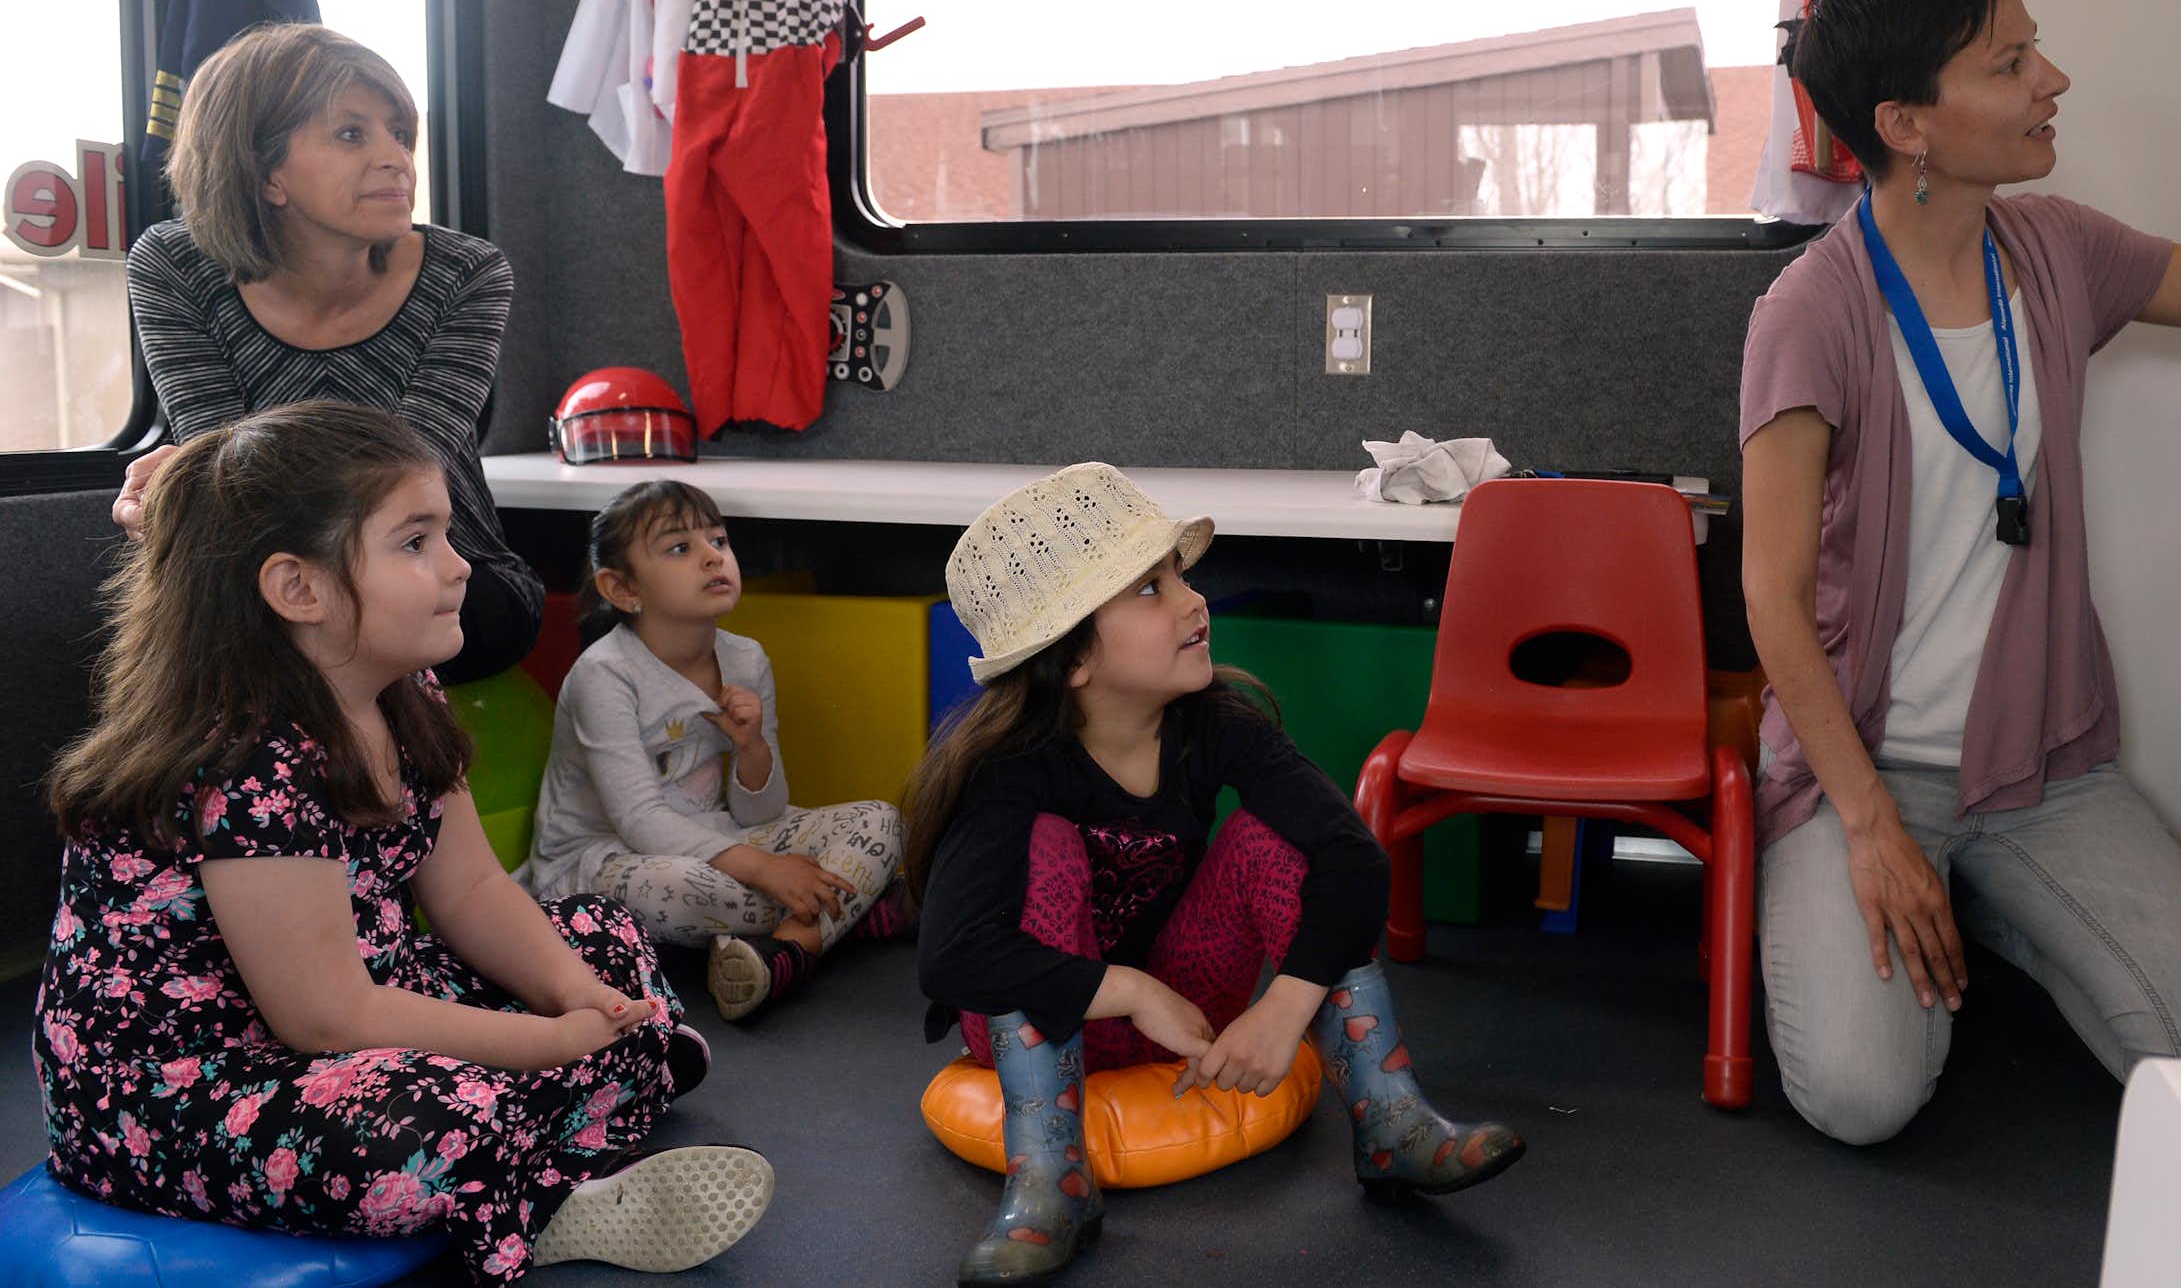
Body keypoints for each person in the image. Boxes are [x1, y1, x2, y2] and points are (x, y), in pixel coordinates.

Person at [1738, 0, 2181, 1144]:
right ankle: (1906, 890)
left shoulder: (2054, 249)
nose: (2050, 78)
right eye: (2009, 63)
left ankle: (2002, 900)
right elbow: (1773, 598)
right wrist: (1866, 824)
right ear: (1907, 123)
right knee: (1861, 1095)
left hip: (2042, 767)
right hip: (1866, 766)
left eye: (2033, 46)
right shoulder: (1808, 312)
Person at [38, 401, 769, 1281]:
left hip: (355, 996)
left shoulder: (406, 691)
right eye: (415, 543)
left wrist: (584, 1000)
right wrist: (549, 1043)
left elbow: (472, 894)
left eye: (446, 536)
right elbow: (325, 1018)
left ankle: (553, 1114)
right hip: (190, 1083)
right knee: (432, 1117)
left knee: (603, 938)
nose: (460, 568)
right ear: (297, 590)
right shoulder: (247, 759)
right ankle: (554, 1195)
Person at [909, 463, 1526, 1285]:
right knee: (1047, 843)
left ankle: (1393, 1123)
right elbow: (953, 957)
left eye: (1179, 577)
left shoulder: (1216, 724)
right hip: (1044, 1015)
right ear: (1072, 660)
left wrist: (1285, 1005)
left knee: (1272, 840)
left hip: (1184, 1012)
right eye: (1147, 590)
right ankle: (1049, 1185)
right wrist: (1128, 989)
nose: (1193, 601)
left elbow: (1353, 860)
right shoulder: (1012, 770)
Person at [112, 23, 542, 685]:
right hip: (268, 565)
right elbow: (221, 460)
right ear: (263, 170)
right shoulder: (172, 265)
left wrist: (215, 471)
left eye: (399, 132)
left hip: (446, 576)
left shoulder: (468, 272)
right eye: (352, 134)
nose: (396, 157)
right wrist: (178, 486)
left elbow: (405, 465)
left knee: (294, 626)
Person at [525, 479, 906, 1022]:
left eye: (719, 541)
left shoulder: (746, 659)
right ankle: (847, 908)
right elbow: (639, 820)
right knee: (680, 887)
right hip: (605, 858)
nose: (712, 557)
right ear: (622, 589)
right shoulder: (605, 675)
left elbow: (762, 812)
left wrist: (750, 749)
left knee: (880, 821)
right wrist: (766, 869)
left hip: (720, 833)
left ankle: (788, 951)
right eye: (680, 548)